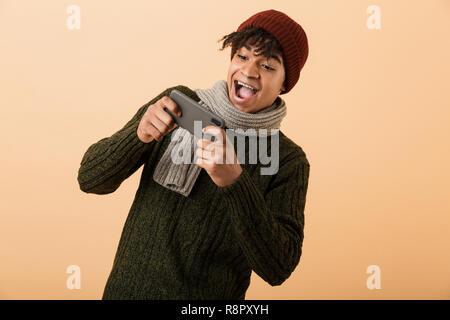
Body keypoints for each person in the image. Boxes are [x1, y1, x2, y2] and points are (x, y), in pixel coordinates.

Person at [77, 9, 310, 300]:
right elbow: (89, 179)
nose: (249, 71)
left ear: (286, 83)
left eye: (268, 66)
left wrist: (234, 181)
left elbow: (279, 267)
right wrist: (138, 136)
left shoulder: (287, 159)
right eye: (243, 56)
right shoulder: (178, 103)